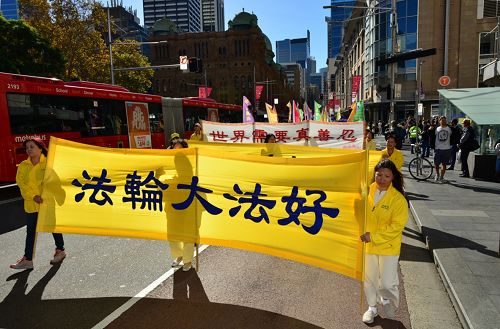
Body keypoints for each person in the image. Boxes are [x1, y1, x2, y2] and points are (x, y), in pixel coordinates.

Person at [360, 159, 409, 324]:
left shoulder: (398, 199)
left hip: (388, 246)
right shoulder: (366, 192)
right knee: (369, 279)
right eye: (379, 175)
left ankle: (386, 298)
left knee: (387, 283)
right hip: (368, 246)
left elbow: (396, 227)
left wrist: (373, 236)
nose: (382, 179)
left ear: (393, 177)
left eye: (386, 176)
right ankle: (372, 308)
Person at [10, 138, 66, 270]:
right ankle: (27, 260)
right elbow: (21, 184)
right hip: (31, 204)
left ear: (40, 148)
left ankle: (60, 250)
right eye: (27, 148)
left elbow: (55, 182)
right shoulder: (23, 165)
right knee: (31, 232)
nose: (29, 149)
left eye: (32, 147)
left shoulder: (48, 165)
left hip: (47, 203)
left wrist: (60, 197)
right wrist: (33, 196)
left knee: (52, 227)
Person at [169, 138, 194, 271]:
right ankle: (179, 255)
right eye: (174, 148)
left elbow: (191, 178)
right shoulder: (169, 161)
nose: (176, 150)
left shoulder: (191, 161)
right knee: (172, 232)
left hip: (188, 199)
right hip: (173, 199)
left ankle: (188, 260)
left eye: (180, 148)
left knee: (187, 232)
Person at [431, 116, 453, 183]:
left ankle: (441, 176)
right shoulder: (437, 129)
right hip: (438, 149)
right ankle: (437, 174)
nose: (443, 121)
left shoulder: (449, 129)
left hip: (446, 149)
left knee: (444, 164)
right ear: (439, 121)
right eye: (442, 120)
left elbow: (453, 136)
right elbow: (432, 136)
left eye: (444, 120)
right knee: (436, 164)